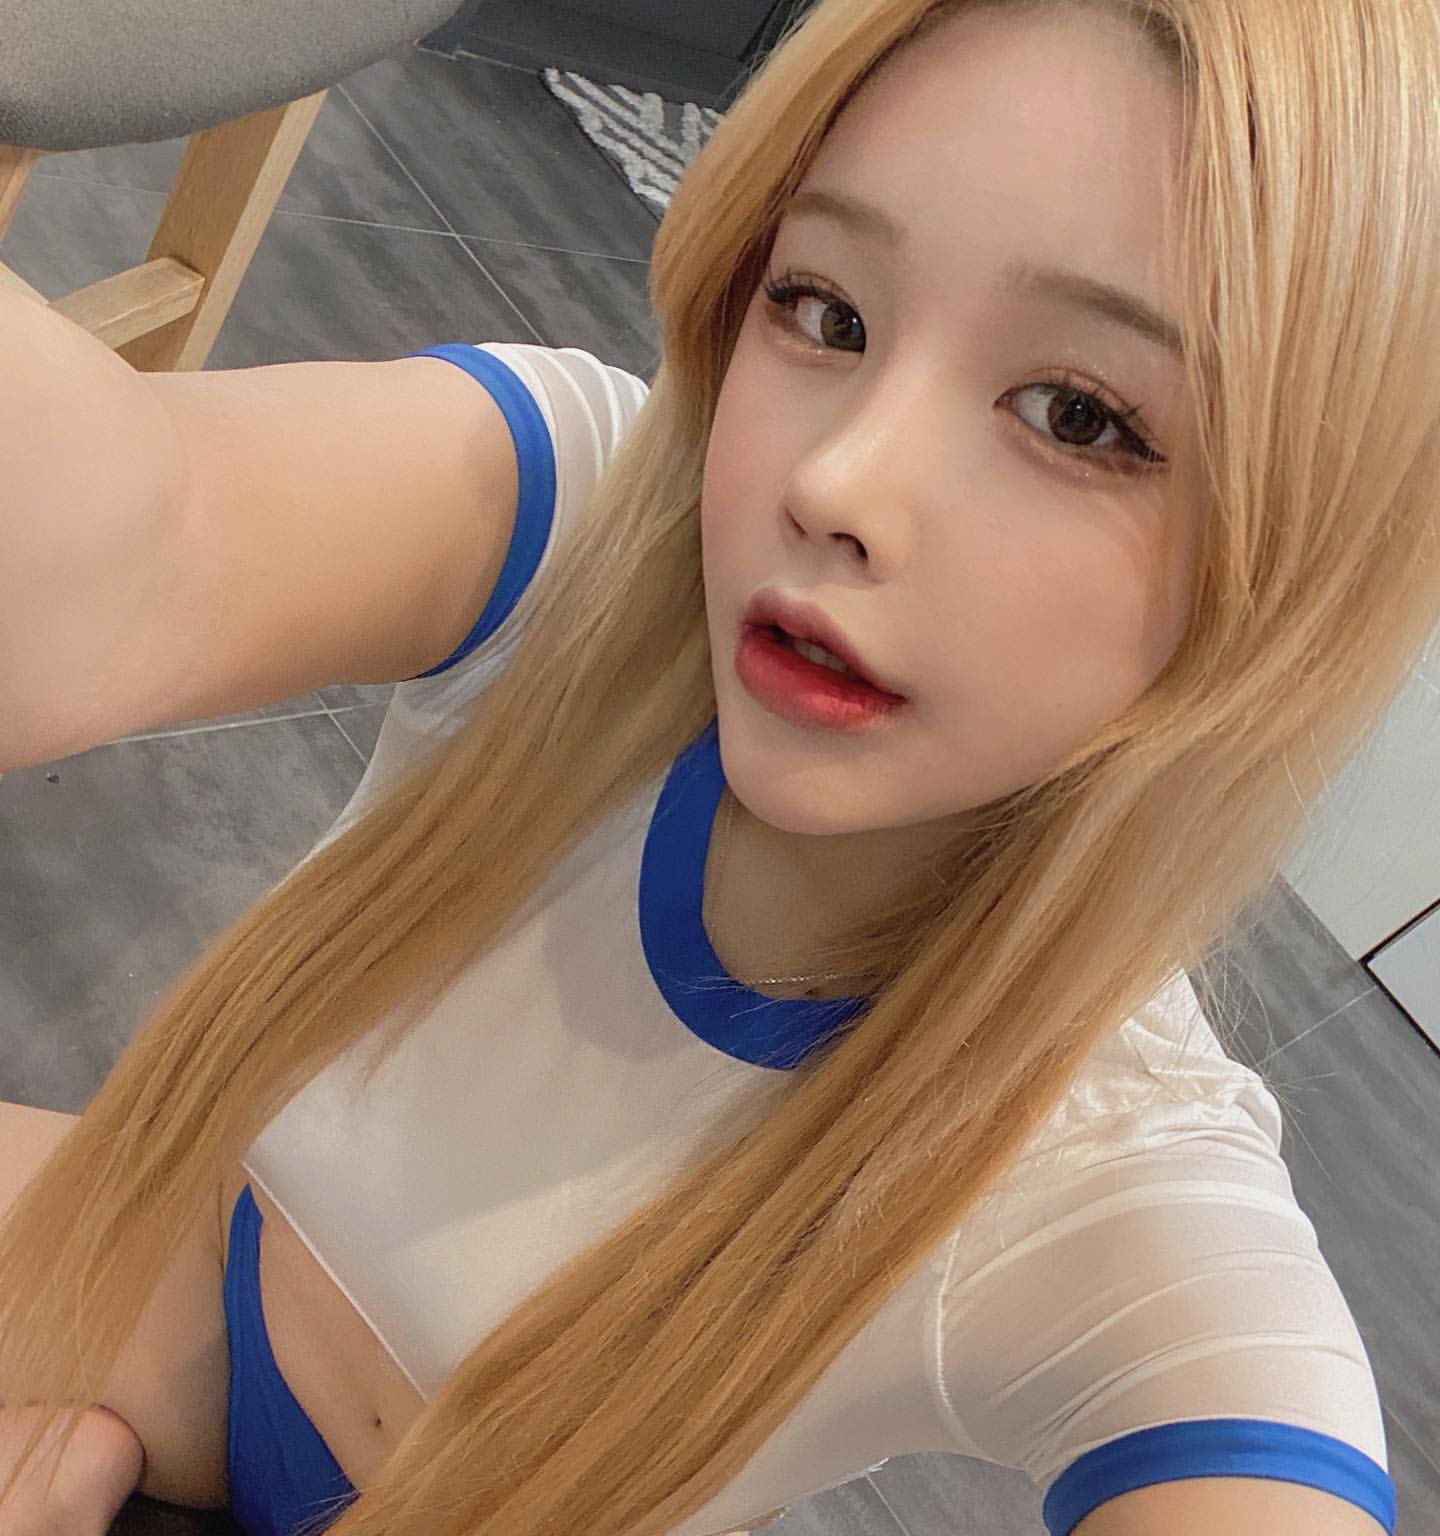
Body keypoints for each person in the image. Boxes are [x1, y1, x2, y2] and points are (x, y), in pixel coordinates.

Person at [0, 0, 1435, 1533]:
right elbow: (134, 538)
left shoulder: (1108, 1170)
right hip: (180, 1277)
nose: (837, 481)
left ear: (1308, 561)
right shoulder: (584, 535)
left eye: (1078, 417)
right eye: (825, 310)